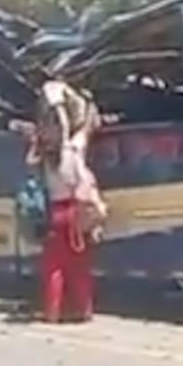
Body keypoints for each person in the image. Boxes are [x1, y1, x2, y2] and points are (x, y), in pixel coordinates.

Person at [29, 79, 107, 324]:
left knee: (54, 268)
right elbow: (84, 130)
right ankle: (83, 310)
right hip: (77, 214)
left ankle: (52, 312)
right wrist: (88, 109)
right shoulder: (72, 151)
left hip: (55, 213)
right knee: (79, 267)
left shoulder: (42, 159)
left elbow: (32, 154)